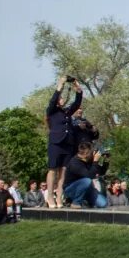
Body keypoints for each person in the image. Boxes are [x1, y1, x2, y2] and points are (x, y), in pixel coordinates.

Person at [45, 76, 83, 208]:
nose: (62, 99)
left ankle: (59, 196)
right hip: (56, 143)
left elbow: (76, 104)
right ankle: (50, 196)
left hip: (67, 143)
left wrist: (78, 90)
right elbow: (54, 98)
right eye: (60, 98)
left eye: (62, 98)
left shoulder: (66, 112)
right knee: (52, 169)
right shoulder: (52, 111)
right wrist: (60, 84)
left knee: (64, 171)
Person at [62, 142, 109, 208]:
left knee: (103, 204)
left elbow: (101, 172)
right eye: (91, 152)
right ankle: (75, 202)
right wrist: (95, 161)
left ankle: (85, 202)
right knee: (86, 181)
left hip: (87, 188)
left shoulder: (88, 160)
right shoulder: (74, 163)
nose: (93, 153)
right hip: (71, 189)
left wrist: (106, 161)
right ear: (85, 153)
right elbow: (89, 176)